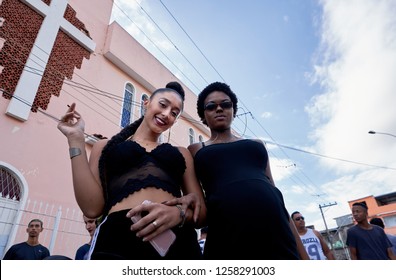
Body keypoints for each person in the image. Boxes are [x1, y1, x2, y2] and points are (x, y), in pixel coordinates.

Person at [57, 82, 206, 259]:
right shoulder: (105, 147)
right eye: (163, 105)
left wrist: (179, 213)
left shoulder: (182, 153)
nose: (167, 114)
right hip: (117, 241)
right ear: (146, 103)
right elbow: (91, 208)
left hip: (176, 242)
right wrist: (75, 140)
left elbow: (202, 214)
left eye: (174, 113)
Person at [178, 81, 306, 259]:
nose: (219, 109)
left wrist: (305, 258)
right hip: (228, 234)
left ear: (233, 110)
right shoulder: (196, 149)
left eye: (226, 104)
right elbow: (198, 203)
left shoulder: (256, 144)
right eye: (211, 106)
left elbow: (278, 198)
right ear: (203, 115)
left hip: (278, 233)